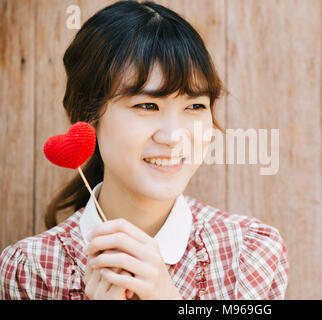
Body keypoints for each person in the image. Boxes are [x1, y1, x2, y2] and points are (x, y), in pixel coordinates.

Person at [0, 0, 289, 300]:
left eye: (194, 106)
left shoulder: (249, 255)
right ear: (89, 118)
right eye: (147, 105)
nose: (173, 137)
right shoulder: (31, 271)